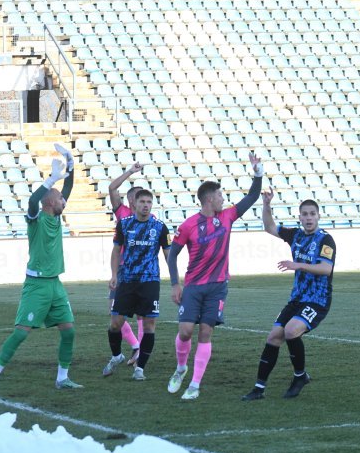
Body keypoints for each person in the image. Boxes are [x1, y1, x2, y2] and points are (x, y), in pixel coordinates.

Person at [0, 144, 81, 394]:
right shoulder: (36, 218)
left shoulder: (56, 215)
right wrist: (51, 179)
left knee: (69, 331)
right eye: (59, 198)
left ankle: (62, 378)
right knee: (21, 333)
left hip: (55, 284)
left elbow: (68, 187)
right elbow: (33, 199)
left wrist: (70, 163)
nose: (63, 201)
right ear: (50, 203)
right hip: (36, 285)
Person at [166, 153, 264, 400]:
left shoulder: (228, 216)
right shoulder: (189, 225)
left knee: (206, 332)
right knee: (186, 331)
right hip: (193, 287)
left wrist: (258, 172)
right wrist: (175, 284)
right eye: (220, 195)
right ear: (209, 199)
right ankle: (181, 368)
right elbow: (172, 254)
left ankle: (195, 384)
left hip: (218, 286)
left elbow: (252, 197)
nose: (223, 199)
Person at [242, 192, 336, 400]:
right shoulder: (296, 235)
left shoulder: (326, 240)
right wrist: (266, 205)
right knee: (274, 336)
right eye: (305, 214)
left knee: (292, 331)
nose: (309, 217)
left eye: (312, 214)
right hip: (297, 299)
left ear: (318, 216)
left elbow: (325, 269)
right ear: (300, 217)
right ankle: (259, 388)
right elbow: (269, 227)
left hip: (318, 300)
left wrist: (298, 265)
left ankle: (299, 376)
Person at [102, 189, 171, 380]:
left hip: (149, 281)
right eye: (143, 202)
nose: (146, 205)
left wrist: (175, 280)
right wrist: (114, 274)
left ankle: (140, 368)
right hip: (127, 281)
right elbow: (116, 251)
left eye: (149, 202)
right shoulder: (124, 225)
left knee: (149, 325)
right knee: (115, 323)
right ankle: (117, 356)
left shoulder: (159, 227)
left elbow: (168, 255)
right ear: (135, 204)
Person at [108, 162, 145, 365]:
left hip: (140, 271)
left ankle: (139, 348)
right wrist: (130, 171)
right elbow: (112, 188)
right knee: (114, 312)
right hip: (122, 269)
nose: (144, 202)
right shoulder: (122, 213)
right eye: (140, 197)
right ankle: (136, 346)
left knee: (140, 312)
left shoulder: (150, 218)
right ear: (132, 199)